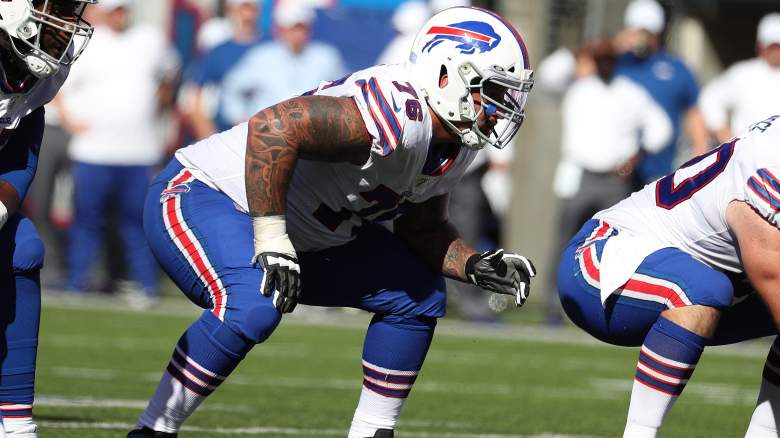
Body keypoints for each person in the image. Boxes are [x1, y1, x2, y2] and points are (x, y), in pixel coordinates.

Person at [127, 6, 536, 438]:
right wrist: (270, 236)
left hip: (306, 234)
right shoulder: (397, 110)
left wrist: (474, 264)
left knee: (418, 292)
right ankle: (152, 430)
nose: (499, 109)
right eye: (490, 91)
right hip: (210, 196)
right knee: (253, 305)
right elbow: (274, 127)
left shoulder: (454, 141)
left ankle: (372, 432)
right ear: (445, 75)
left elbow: (424, 231)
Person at [557, 113, 780, 437]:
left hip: (687, 275)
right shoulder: (770, 165)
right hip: (603, 258)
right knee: (703, 289)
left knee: (710, 288)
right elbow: (772, 277)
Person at [0, 1, 96, 436]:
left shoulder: (42, 75)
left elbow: (22, 149)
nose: (68, 24)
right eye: (56, 8)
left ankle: (15, 424)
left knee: (23, 246)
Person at [55, 0, 177, 303]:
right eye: (115, 10)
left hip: (139, 150)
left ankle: (146, 286)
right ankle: (77, 281)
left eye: (123, 10)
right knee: (87, 220)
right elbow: (58, 82)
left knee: (137, 222)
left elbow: (170, 73)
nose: (120, 15)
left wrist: (159, 106)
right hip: (94, 150)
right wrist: (70, 120)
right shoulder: (89, 42)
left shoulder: (150, 39)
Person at [547, 38, 672, 325]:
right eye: (598, 59)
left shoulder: (630, 93)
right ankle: (555, 305)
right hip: (580, 173)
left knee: (613, 245)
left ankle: (605, 304)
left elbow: (661, 128)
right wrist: (578, 49)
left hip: (615, 179)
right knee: (564, 238)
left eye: (608, 59)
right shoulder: (578, 88)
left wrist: (638, 155)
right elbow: (548, 75)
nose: (604, 65)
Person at [614, 0, 709, 187]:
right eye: (636, 30)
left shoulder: (675, 68)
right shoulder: (614, 62)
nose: (640, 37)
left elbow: (694, 113)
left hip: (658, 171)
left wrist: (699, 154)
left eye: (646, 32)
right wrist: (616, 44)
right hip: (614, 171)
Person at [219, 0, 346, 126]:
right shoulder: (261, 57)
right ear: (281, 29)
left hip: (314, 132)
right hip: (269, 133)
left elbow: (343, 91)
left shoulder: (326, 57)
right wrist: (240, 119)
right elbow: (232, 87)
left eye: (301, 28)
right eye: (292, 28)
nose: (297, 33)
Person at [184, 0, 262, 140]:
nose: (247, 15)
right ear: (230, 10)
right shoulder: (218, 51)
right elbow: (193, 100)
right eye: (242, 8)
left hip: (268, 138)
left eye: (251, 8)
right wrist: (213, 141)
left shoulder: (273, 47)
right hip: (229, 134)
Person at [699, 12, 780, 144]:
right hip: (748, 156)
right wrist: (726, 138)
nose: (777, 51)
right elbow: (710, 99)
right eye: (773, 46)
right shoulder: (743, 74)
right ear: (760, 46)